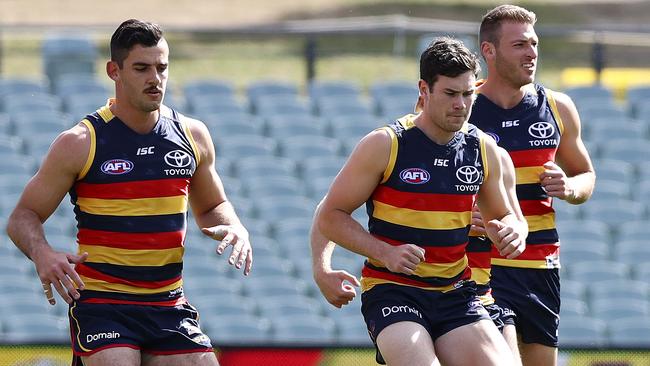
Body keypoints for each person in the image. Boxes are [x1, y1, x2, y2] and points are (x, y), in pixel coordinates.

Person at [5, 19, 252, 366]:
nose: (155, 78)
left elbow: (213, 205)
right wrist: (42, 253)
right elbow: (22, 217)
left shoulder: (192, 136)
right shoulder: (81, 142)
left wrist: (234, 226)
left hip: (168, 305)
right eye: (142, 68)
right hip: (104, 305)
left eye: (162, 68)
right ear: (114, 70)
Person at [315, 37, 527, 366]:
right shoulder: (386, 144)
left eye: (468, 94)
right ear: (424, 90)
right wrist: (384, 252)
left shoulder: (483, 150)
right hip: (393, 291)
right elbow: (330, 215)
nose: (461, 104)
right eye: (450, 94)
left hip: (455, 293)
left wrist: (512, 229)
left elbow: (507, 216)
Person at [469, 5, 596, 366]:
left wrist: (569, 186)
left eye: (534, 44)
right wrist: (463, 215)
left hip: (541, 267)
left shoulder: (557, 107)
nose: (532, 53)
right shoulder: (461, 108)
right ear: (489, 51)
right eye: (520, 45)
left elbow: (586, 175)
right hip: (484, 264)